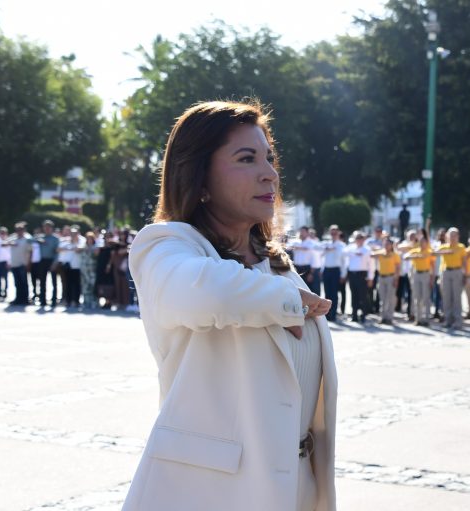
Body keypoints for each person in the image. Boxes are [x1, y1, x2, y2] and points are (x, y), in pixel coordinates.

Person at [121, 100, 337, 511]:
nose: (269, 172)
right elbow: (202, 293)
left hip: (295, 488)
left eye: (270, 158)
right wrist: (286, 301)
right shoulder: (167, 244)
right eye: (246, 158)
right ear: (199, 176)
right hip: (211, 493)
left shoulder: (274, 261)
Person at [435, 227, 467, 329]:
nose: (452, 237)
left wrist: (465, 275)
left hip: (457, 271)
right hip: (445, 272)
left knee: (456, 297)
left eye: (454, 235)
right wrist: (445, 252)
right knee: (446, 297)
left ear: (458, 237)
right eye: (450, 235)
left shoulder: (461, 247)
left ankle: (458, 321)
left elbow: (464, 262)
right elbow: (433, 253)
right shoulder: (444, 247)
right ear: (447, 236)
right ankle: (448, 320)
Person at [404, 231, 435, 326]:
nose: (422, 244)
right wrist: (416, 256)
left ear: (426, 243)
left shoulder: (429, 252)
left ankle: (426, 319)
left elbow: (433, 267)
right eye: (421, 242)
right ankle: (418, 318)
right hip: (416, 274)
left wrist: (432, 278)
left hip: (426, 274)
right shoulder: (415, 251)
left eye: (424, 242)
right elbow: (406, 256)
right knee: (417, 297)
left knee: (426, 298)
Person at [344, 231, 374, 323]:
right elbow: (343, 253)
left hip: (362, 274)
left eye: (360, 238)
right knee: (354, 295)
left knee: (363, 296)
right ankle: (354, 315)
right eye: (357, 238)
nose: (359, 240)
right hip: (352, 274)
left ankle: (363, 315)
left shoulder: (367, 250)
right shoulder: (351, 248)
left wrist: (370, 278)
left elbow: (371, 265)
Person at [371, 236, 400, 325]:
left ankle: (389, 317)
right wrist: (379, 252)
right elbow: (371, 254)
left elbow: (398, 268)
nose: (386, 246)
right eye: (385, 244)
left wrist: (396, 279)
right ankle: (383, 317)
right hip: (381, 277)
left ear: (392, 245)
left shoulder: (395, 255)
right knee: (382, 298)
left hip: (391, 277)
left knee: (390, 298)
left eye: (388, 244)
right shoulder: (381, 253)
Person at [320, 225, 346, 322]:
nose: (333, 234)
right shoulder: (326, 244)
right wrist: (322, 270)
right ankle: (327, 314)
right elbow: (322, 257)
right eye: (332, 232)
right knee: (327, 293)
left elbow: (344, 261)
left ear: (338, 233)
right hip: (327, 270)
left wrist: (343, 274)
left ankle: (333, 314)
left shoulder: (341, 245)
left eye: (335, 232)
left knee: (334, 293)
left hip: (336, 270)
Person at [7, 222, 33, 306]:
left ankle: (25, 299)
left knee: (24, 282)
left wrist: (29, 263)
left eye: (21, 230)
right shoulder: (12, 238)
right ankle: (18, 298)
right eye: (17, 230)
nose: (19, 231)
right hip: (14, 263)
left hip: (23, 263)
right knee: (16, 283)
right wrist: (10, 243)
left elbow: (30, 252)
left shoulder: (27, 239)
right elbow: (4, 243)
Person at [35, 220, 60, 306]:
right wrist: (38, 239)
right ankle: (43, 300)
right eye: (45, 227)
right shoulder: (40, 238)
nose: (47, 229)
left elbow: (57, 252)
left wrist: (55, 263)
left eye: (49, 227)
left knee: (54, 282)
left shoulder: (55, 238)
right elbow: (29, 240)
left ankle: (54, 300)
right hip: (42, 261)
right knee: (42, 282)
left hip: (52, 260)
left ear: (52, 228)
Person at [80, 231, 99, 309]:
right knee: (85, 286)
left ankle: (94, 302)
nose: (89, 240)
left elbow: (96, 254)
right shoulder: (83, 247)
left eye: (91, 238)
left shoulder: (96, 247)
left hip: (92, 270)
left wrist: (91, 250)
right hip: (84, 270)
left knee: (93, 286)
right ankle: (86, 302)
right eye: (88, 238)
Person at [0, 227, 11, 300]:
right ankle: (0, 291)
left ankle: (5, 291)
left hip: (5, 262)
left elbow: (10, 254)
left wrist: (9, 263)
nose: (2, 234)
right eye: (1, 233)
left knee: (5, 278)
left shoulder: (9, 241)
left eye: (4, 233)